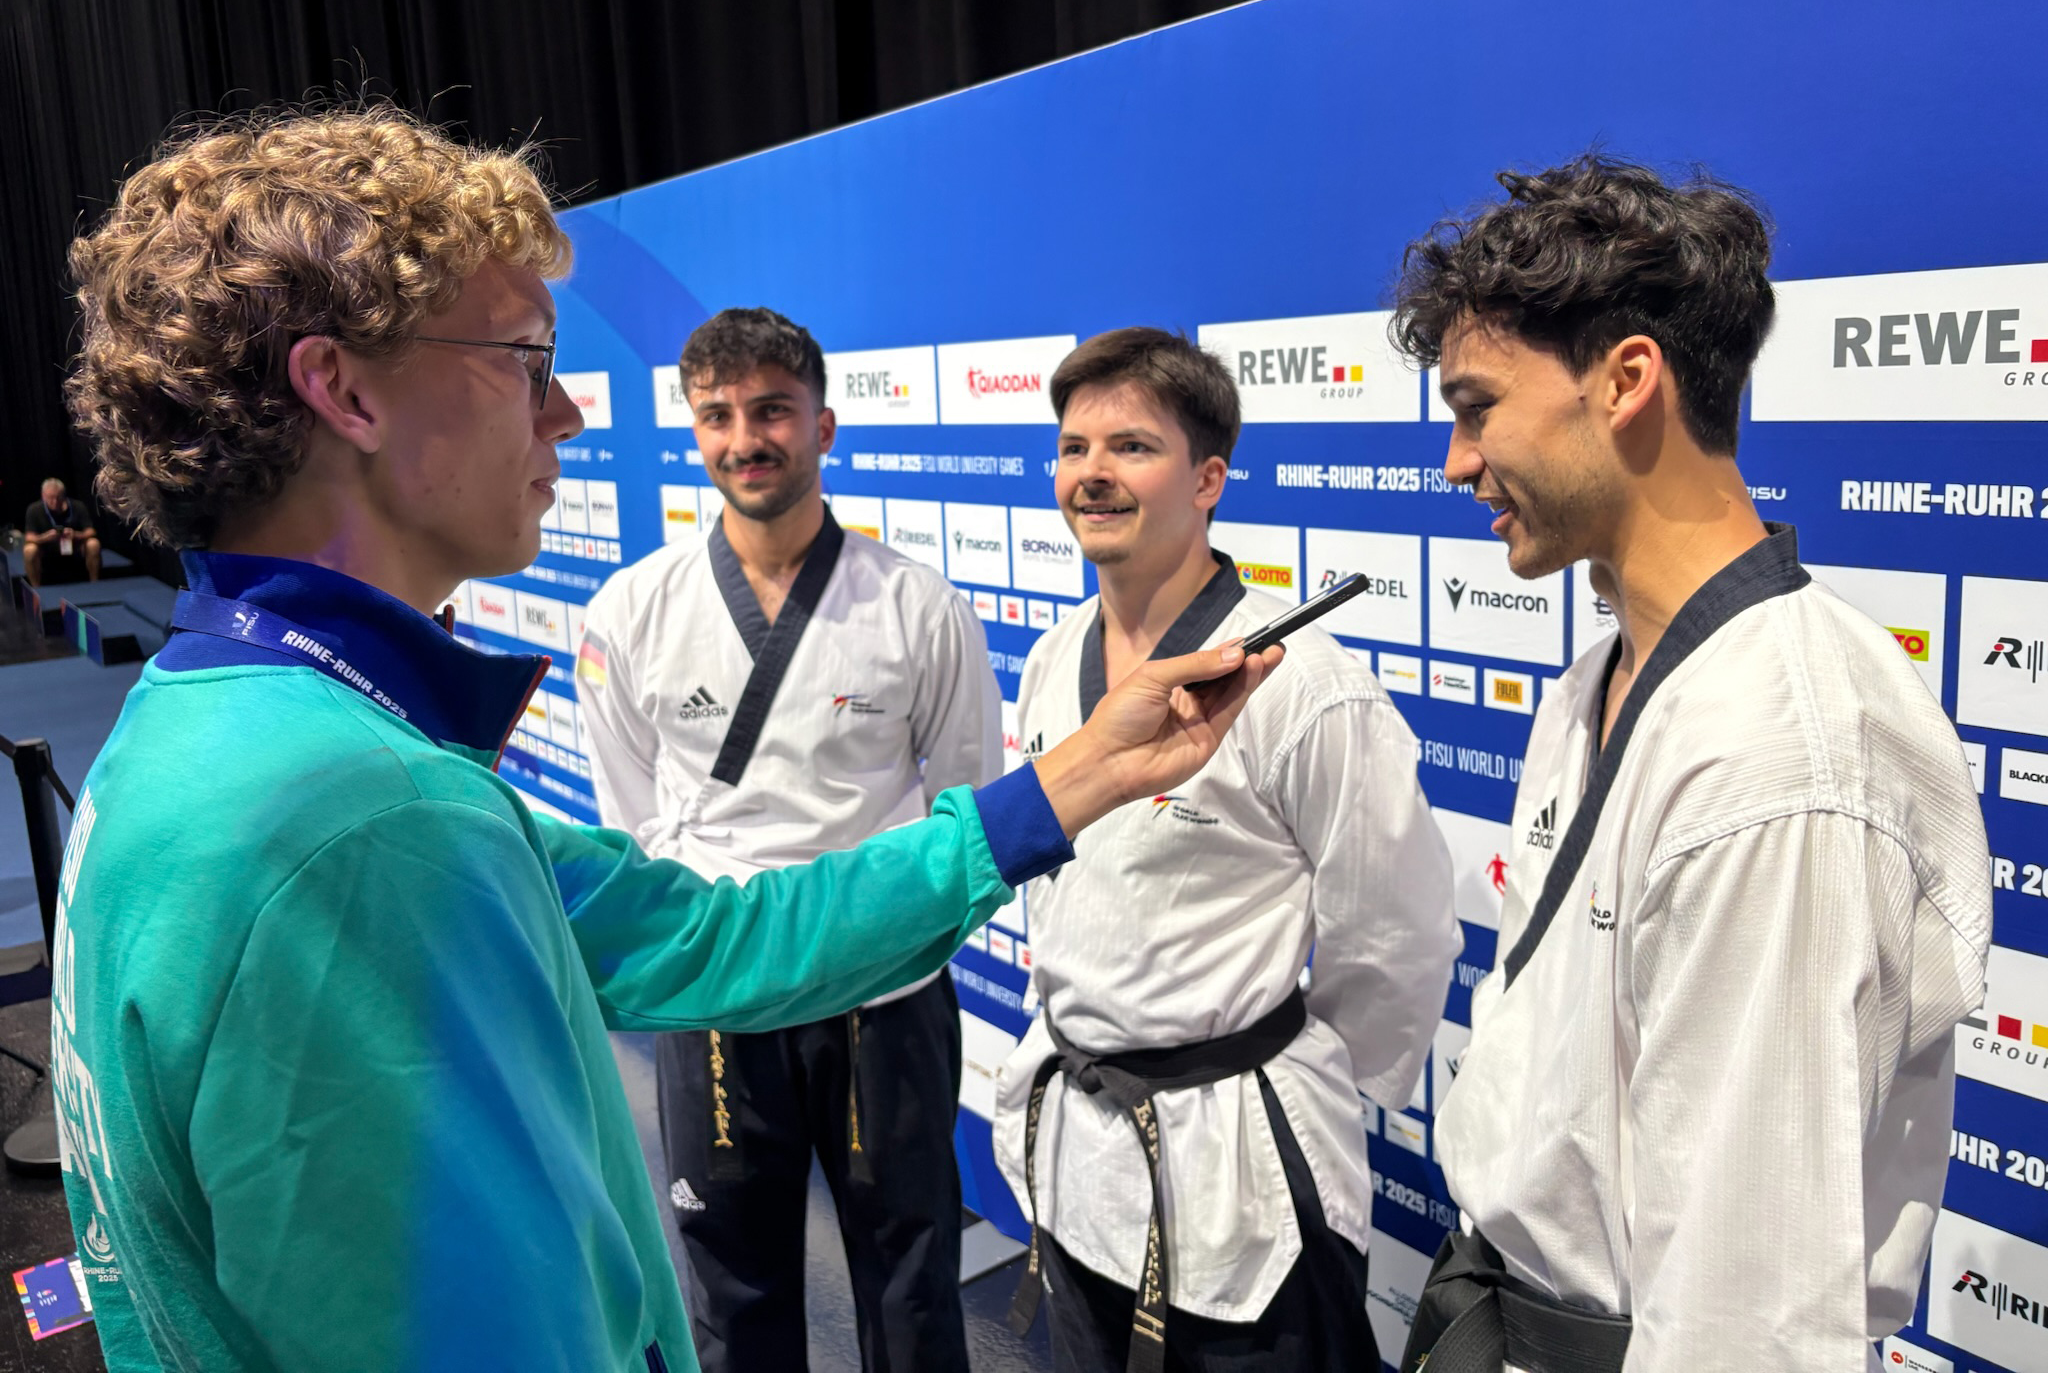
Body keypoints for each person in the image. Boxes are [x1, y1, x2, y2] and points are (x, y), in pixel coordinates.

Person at [50, 107, 1282, 1373]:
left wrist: (1081, 773)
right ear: (346, 389)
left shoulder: (217, 725)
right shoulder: (361, 823)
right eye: (524, 360)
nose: (565, 414)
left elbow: (706, 935)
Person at [1390, 157, 1993, 1372]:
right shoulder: (1598, 678)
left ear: (1625, 382)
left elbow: (1745, 1319)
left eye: (1475, 407)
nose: (1454, 461)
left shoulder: (1779, 755)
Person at [996, 327, 1462, 1372]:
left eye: (1131, 447)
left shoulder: (1300, 683)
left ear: (1208, 479)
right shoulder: (1051, 657)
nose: (1092, 473)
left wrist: (1282, 1064)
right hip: (1077, 1152)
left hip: (1235, 1172)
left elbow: (1395, 932)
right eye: (1072, 448)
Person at [577, 307, 1002, 1372]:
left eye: (771, 410)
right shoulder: (634, 608)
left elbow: (966, 807)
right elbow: (633, 816)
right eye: (716, 415)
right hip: (719, 985)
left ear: (824, 425)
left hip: (882, 985)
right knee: (732, 1284)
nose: (744, 439)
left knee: (910, 1281)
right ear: (693, 429)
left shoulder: (916, 605)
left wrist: (900, 931)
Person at [23, 476, 101, 584]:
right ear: (43, 496)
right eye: (50, 498)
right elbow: (29, 537)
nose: (55, 502)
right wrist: (45, 538)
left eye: (58, 497)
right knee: (29, 550)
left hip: (74, 545)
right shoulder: (34, 509)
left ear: (64, 495)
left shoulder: (78, 506)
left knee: (93, 544)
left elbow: (91, 531)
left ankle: (95, 582)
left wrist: (76, 534)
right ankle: (36, 587)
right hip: (46, 547)